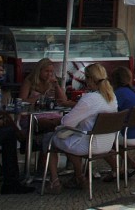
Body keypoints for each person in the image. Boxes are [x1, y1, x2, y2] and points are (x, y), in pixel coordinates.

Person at [41, 63, 117, 193]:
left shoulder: (89, 98)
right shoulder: (111, 97)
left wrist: (56, 121)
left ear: (89, 79)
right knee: (69, 139)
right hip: (106, 143)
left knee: (49, 138)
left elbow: (68, 122)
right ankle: (78, 177)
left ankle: (55, 181)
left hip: (88, 144)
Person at [101, 66, 135, 182]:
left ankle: (116, 170)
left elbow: (107, 112)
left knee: (101, 139)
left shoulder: (118, 94)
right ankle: (131, 163)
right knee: (112, 137)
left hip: (129, 135)